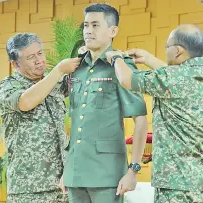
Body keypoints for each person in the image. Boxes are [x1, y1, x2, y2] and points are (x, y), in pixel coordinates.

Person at [106, 24, 203, 203]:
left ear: (177, 50)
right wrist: (148, 58)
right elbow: (176, 81)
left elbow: (127, 79)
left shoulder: (172, 79)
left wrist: (115, 58)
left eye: (167, 46)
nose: (165, 50)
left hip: (177, 186)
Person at [62, 3, 148, 203]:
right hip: (76, 174)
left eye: (95, 25)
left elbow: (141, 120)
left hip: (107, 175)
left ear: (112, 31)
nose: (88, 31)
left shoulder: (121, 67)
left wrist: (133, 170)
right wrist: (66, 171)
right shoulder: (76, 68)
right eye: (85, 26)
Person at [0, 33, 81, 203]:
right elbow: (26, 102)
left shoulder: (55, 82)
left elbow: (81, 79)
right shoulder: (8, 85)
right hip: (28, 189)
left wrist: (84, 54)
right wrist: (58, 70)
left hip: (62, 185)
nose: (39, 60)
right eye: (31, 57)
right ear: (15, 64)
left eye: (40, 53)